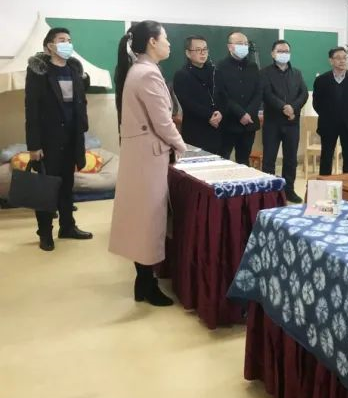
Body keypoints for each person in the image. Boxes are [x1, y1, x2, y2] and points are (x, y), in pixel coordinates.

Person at [109, 21, 187, 307]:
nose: (169, 43)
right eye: (165, 38)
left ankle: (144, 281)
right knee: (149, 220)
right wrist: (183, 147)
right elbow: (162, 122)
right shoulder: (147, 74)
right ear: (152, 42)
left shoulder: (140, 70)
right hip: (148, 156)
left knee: (143, 219)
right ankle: (146, 282)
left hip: (142, 154)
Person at [23, 27, 93, 251]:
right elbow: (31, 109)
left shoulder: (74, 69)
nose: (67, 44)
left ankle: (67, 226)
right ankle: (45, 232)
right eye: (62, 40)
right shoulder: (39, 72)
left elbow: (80, 101)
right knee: (47, 188)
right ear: (50, 46)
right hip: (48, 140)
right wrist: (34, 145)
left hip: (72, 137)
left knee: (67, 185)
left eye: (69, 40)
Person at [260, 40, 307, 203]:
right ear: (273, 54)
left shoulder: (297, 73)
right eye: (280, 51)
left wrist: (293, 108)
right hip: (272, 123)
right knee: (269, 159)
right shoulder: (264, 72)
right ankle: (269, 193)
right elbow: (267, 94)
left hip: (292, 123)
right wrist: (283, 107)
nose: (283, 54)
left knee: (291, 160)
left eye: (286, 51)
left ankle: (289, 191)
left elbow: (303, 94)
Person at [312, 47, 348, 175]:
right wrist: (328, 115)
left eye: (345, 58)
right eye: (338, 58)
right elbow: (316, 103)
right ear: (331, 61)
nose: (342, 61)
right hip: (328, 124)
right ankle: (324, 184)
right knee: (326, 157)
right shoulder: (321, 80)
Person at [216, 31, 262, 165]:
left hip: (249, 124)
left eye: (245, 44)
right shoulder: (220, 66)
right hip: (229, 122)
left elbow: (258, 92)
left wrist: (249, 113)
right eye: (239, 43)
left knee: (244, 160)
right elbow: (222, 94)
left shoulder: (253, 67)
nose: (244, 46)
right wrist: (241, 113)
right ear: (230, 46)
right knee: (223, 158)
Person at [172, 35, 223, 155]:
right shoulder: (181, 75)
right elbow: (187, 102)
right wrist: (209, 115)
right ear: (188, 53)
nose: (203, 53)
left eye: (205, 49)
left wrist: (220, 112)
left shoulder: (215, 72)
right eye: (198, 50)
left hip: (217, 128)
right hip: (195, 130)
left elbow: (223, 95)